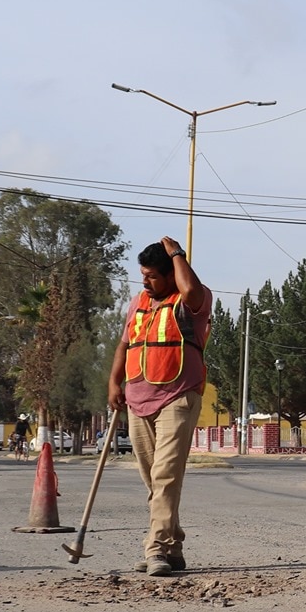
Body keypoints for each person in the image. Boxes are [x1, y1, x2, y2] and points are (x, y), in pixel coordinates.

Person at [107, 237, 212, 577]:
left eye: (152, 276)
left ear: (170, 274)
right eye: (143, 275)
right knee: (154, 481)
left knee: (165, 475)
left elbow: (191, 289)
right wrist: (114, 383)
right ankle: (172, 547)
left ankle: (155, 549)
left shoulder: (191, 299)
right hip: (138, 399)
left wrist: (177, 253)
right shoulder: (137, 303)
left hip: (178, 396)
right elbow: (124, 345)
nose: (145, 282)